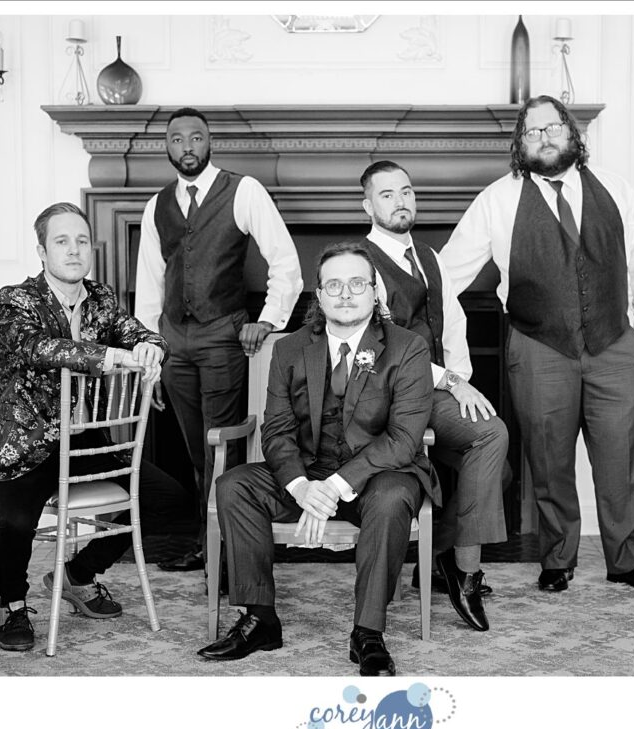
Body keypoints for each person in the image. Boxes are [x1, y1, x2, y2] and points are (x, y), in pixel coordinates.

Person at [440, 95, 634, 593]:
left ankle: (629, 560)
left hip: (616, 344)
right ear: (519, 145)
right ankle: (556, 559)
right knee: (548, 461)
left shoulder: (616, 189)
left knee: (624, 457)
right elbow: (444, 278)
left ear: (572, 134)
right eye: (532, 131)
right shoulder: (497, 200)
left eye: (553, 127)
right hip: (538, 345)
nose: (544, 137)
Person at [197, 243, 439, 676]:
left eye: (357, 283)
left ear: (374, 291)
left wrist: (335, 485)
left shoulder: (408, 348)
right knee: (233, 485)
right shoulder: (290, 349)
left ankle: (368, 633)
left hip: (379, 475)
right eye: (334, 285)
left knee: (390, 501)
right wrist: (302, 486)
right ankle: (260, 619)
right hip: (308, 473)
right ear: (319, 295)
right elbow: (276, 430)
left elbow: (404, 439)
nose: (345, 294)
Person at [0, 202, 193, 652]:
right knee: (18, 521)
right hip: (30, 440)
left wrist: (152, 348)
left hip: (87, 442)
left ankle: (76, 575)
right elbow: (44, 349)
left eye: (81, 240)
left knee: (167, 498)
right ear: (42, 250)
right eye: (62, 241)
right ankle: (13, 604)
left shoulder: (101, 297)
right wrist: (115, 357)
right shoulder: (14, 300)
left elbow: (140, 333)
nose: (74, 250)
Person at [135, 107, 303, 574]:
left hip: (223, 338)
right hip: (173, 342)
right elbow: (149, 284)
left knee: (222, 446)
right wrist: (148, 352)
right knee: (195, 451)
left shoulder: (243, 190)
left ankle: (228, 555)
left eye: (195, 137)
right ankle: (211, 544)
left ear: (209, 143)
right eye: (176, 139)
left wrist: (268, 320)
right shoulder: (157, 206)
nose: (186, 146)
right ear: (166, 148)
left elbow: (286, 263)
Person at [358, 160, 508, 632]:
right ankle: (465, 573)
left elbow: (454, 324)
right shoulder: (362, 264)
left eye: (406, 191)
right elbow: (379, 344)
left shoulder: (429, 255)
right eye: (387, 194)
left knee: (495, 470)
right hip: (394, 394)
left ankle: (442, 559)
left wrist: (460, 380)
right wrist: (449, 382)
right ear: (368, 205)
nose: (400, 200)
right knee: (491, 435)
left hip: (438, 388)